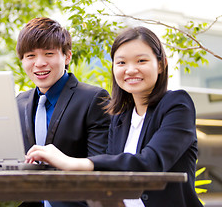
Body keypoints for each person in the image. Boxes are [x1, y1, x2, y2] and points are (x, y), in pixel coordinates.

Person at [26, 26, 203, 207]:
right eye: (121, 63)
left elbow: (151, 163)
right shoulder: (120, 117)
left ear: (160, 64)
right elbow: (108, 178)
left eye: (141, 61)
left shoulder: (177, 104)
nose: (131, 70)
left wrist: (73, 163)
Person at [16, 17, 111, 207]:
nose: (39, 63)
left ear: (67, 56)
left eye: (49, 53)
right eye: (30, 56)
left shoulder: (94, 99)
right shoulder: (18, 103)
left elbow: (101, 166)